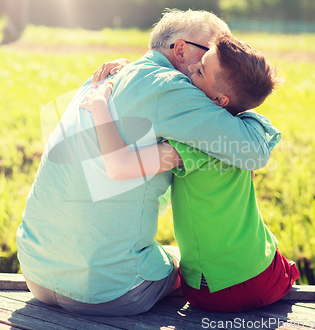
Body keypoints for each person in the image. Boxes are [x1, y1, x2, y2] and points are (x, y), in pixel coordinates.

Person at [17, 9, 278, 316]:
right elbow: (254, 151)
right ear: (180, 49)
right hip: (107, 289)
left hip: (35, 271)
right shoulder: (170, 87)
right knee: (188, 265)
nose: (220, 59)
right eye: (213, 50)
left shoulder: (109, 76)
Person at [81, 32, 299, 313]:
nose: (190, 70)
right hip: (265, 276)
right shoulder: (243, 134)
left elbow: (120, 165)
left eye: (200, 70)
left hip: (212, 292)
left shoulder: (190, 146)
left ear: (220, 99)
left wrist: (100, 105)